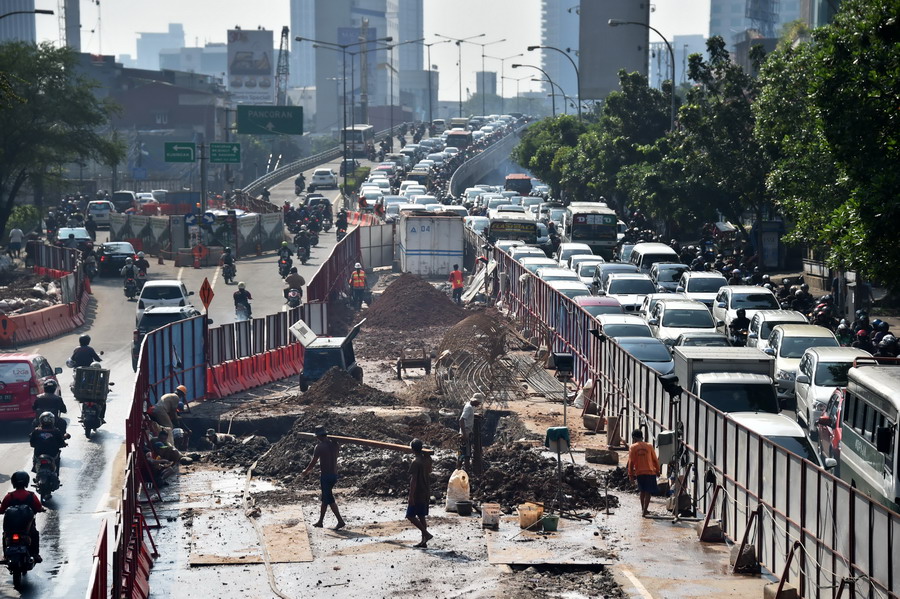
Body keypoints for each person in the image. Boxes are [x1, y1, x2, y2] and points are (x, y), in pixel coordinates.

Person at [301, 426, 345, 530]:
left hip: (326, 477)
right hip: (334, 475)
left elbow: (313, 462)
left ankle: (340, 521)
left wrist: (306, 471)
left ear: (318, 437)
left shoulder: (319, 447)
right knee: (325, 499)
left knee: (329, 499)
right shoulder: (335, 445)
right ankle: (320, 521)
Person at [0, 472, 45, 562]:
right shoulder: (31, 495)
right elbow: (39, 507)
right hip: (27, 528)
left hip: (11, 527)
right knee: (35, 534)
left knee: (5, 535)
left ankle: (5, 556)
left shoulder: (10, 496)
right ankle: (35, 554)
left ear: (13, 482)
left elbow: (1, 510)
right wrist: (41, 509)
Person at [627, 429, 660, 517]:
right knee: (648, 492)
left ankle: (643, 509)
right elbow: (655, 459)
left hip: (639, 473)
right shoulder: (649, 446)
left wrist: (630, 475)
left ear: (633, 438)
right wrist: (657, 470)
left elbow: (631, 462)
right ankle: (645, 510)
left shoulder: (632, 447)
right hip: (650, 472)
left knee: (642, 491)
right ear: (642, 437)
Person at [406, 438, 433, 548]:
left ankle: (426, 534)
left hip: (417, 493)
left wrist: (411, 496)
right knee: (421, 516)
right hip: (426, 491)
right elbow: (430, 471)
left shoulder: (415, 462)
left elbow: (414, 480)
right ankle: (423, 542)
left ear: (413, 449)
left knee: (410, 515)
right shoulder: (427, 460)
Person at [458, 393, 482, 465]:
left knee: (461, 453)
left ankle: (458, 469)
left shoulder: (469, 406)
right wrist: (464, 434)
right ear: (475, 401)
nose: (479, 404)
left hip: (464, 432)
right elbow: (461, 420)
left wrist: (474, 415)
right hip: (466, 433)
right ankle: (466, 470)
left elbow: (467, 415)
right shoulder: (469, 408)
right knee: (466, 455)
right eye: (478, 402)